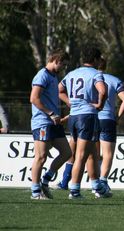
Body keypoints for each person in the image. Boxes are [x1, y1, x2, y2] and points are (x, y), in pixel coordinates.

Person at [59, 46, 111, 199]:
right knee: (81, 155)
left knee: (92, 153)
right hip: (87, 116)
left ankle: (97, 186)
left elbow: (59, 89)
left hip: (74, 117)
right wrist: (100, 105)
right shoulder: (96, 73)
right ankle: (74, 190)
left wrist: (71, 103)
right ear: (95, 60)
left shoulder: (71, 74)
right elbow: (103, 91)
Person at [29, 49, 72, 199]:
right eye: (63, 65)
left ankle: (45, 180)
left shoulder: (53, 77)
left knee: (67, 153)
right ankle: (35, 192)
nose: (64, 68)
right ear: (56, 60)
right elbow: (34, 98)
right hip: (42, 122)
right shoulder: (42, 75)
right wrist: (51, 113)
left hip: (53, 123)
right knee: (40, 157)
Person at [93, 57, 124, 190]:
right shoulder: (114, 80)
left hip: (91, 118)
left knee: (93, 154)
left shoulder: (89, 78)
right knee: (107, 154)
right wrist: (118, 117)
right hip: (108, 119)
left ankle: (95, 183)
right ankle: (103, 182)